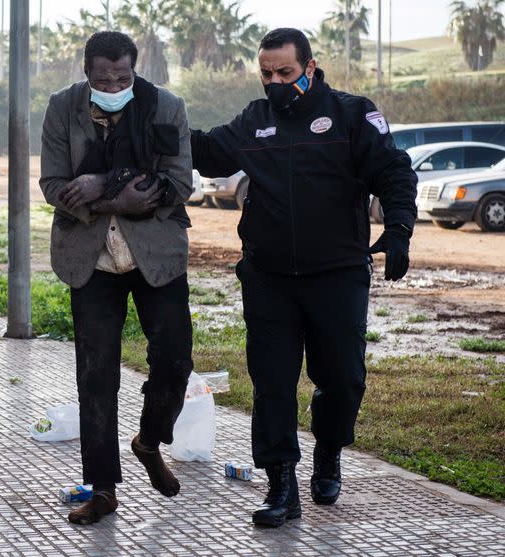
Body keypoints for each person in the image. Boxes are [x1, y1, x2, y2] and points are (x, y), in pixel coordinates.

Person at [190, 28, 417, 527]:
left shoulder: (351, 114)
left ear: (310, 68)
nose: (274, 83)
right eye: (266, 74)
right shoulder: (255, 120)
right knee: (272, 383)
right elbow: (206, 153)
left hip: (337, 275)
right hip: (269, 278)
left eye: (284, 73)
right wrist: (159, 123)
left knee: (342, 378)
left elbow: (394, 171)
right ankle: (281, 487)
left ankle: (329, 447)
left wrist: (399, 228)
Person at [40, 31, 194, 525]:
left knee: (174, 359)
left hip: (155, 254)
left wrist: (103, 183)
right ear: (87, 72)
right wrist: (113, 201)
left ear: (134, 68)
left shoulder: (166, 106)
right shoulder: (62, 108)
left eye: (122, 77)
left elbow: (179, 182)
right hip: (90, 258)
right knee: (95, 375)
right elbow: (52, 184)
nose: (113, 84)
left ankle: (150, 441)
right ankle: (103, 489)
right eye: (103, 78)